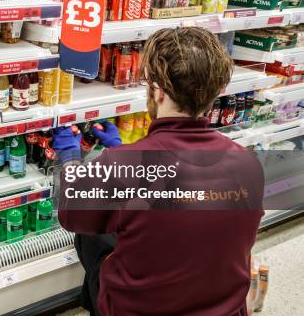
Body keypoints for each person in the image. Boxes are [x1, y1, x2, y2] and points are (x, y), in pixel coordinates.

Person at [54, 27, 265, 316]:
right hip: (224, 308)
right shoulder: (247, 163)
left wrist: (70, 161)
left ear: (158, 90)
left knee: (90, 235)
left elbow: (70, 214)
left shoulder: (122, 167)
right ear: (217, 92)